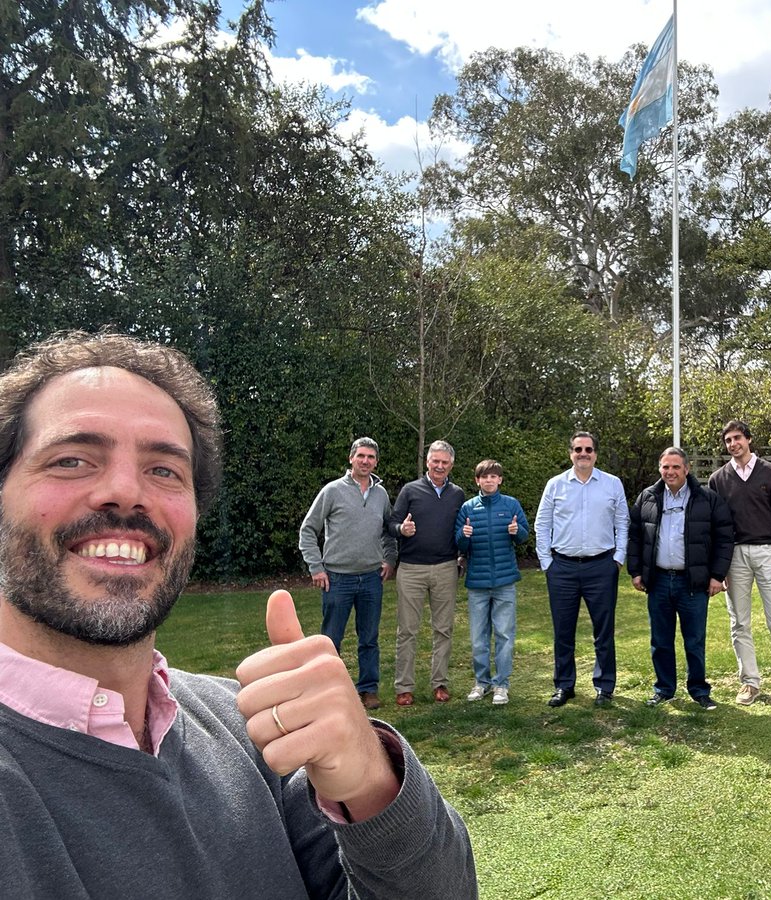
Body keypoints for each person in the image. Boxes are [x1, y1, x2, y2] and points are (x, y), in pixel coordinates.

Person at [0, 332, 476, 897]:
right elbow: (310, 528)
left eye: (164, 470)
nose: (126, 492)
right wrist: (317, 564)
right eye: (73, 459)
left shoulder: (257, 735)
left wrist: (371, 782)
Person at [627, 448, 734, 710]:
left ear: (686, 469)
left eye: (675, 467)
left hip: (693, 582)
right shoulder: (648, 498)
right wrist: (636, 571)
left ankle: (699, 690)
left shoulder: (707, 498)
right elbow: (635, 536)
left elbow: (724, 538)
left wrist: (717, 576)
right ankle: (664, 689)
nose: (670, 472)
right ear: (659, 469)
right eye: (665, 467)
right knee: (660, 639)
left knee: (694, 640)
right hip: (659, 580)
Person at [298, 437, 397, 710]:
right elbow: (308, 530)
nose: (366, 461)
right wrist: (316, 567)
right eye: (361, 456)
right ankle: (328, 691)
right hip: (337, 578)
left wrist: (389, 559)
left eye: (371, 457)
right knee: (330, 640)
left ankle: (368, 689)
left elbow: (389, 530)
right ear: (351, 458)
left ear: (376, 461)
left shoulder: (381, 495)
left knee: (369, 639)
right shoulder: (332, 491)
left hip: (371, 579)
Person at [708, 420, 771, 708]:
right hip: (735, 557)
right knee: (739, 623)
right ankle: (750, 682)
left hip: (769, 554)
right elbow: (715, 529)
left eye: (737, 438)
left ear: (748, 439)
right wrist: (718, 569)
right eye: (728, 441)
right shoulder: (718, 479)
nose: (733, 444)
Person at [534, 431, 629, 708]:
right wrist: (546, 563)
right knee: (563, 631)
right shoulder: (555, 485)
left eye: (588, 449)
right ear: (570, 453)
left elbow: (622, 523)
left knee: (604, 630)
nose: (583, 453)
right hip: (562, 567)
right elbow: (542, 524)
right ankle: (564, 686)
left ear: (595, 454)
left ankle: (604, 686)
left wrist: (618, 558)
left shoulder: (612, 484)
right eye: (578, 449)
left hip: (601, 566)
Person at [389, 440, 465, 706]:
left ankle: (440, 683)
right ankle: (404, 687)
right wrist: (402, 530)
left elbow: (461, 529)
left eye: (445, 462)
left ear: (451, 465)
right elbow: (391, 522)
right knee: (407, 630)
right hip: (411, 569)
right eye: (436, 461)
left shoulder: (457, 494)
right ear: (427, 462)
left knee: (443, 629)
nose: (440, 466)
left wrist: (462, 553)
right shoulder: (410, 490)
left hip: (445, 568)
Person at [454, 460, 529, 706]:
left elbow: (524, 537)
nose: (489, 480)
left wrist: (516, 531)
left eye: (493, 476)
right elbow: (460, 545)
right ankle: (481, 683)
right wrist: (463, 537)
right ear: (477, 481)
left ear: (500, 480)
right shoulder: (467, 508)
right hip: (477, 583)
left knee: (505, 635)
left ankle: (501, 685)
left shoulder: (511, 505)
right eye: (484, 477)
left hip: (505, 582)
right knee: (478, 637)